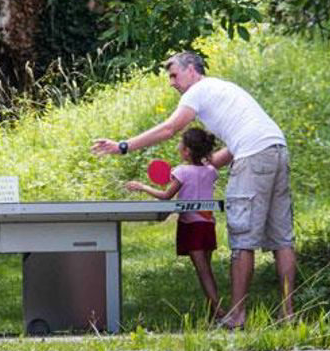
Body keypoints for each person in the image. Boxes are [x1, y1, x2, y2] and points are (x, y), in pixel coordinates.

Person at [91, 50, 296, 327]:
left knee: (243, 239)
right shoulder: (223, 89)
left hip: (252, 156)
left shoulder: (197, 91)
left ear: (192, 71)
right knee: (282, 240)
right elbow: (231, 150)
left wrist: (123, 146)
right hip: (277, 149)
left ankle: (236, 316)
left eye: (174, 75)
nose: (172, 82)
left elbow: (168, 129)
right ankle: (288, 314)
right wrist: (201, 167)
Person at [125, 127, 224, 320]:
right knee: (207, 271)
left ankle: (220, 312)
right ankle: (214, 314)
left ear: (186, 151)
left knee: (203, 272)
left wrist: (142, 187)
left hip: (191, 227)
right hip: (207, 226)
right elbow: (200, 178)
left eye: (180, 144)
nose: (178, 146)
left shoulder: (182, 172)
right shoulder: (211, 171)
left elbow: (166, 196)